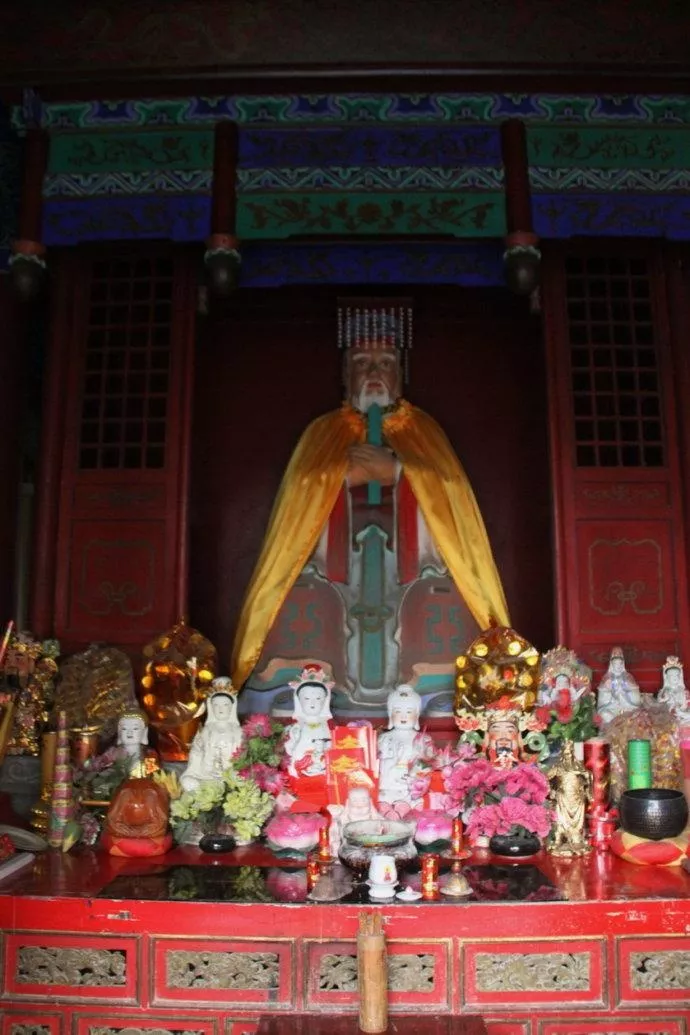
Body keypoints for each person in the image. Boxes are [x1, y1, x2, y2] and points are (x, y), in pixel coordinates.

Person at [231, 300, 509, 712]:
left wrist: (398, 471)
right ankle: (299, 689)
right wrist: (341, 476)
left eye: (385, 362)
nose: (374, 372)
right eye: (362, 363)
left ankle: (438, 690)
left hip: (413, 567)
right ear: (345, 375)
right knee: (295, 594)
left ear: (401, 374)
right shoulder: (323, 431)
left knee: (447, 595)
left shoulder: (422, 430)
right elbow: (301, 492)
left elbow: (449, 493)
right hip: (333, 567)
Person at [180, 679, 243, 792]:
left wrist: (230, 771)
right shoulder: (205, 731)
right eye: (216, 705)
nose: (220, 709)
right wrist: (203, 760)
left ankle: (225, 791)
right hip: (206, 776)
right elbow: (196, 754)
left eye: (225, 705)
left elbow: (244, 758)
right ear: (211, 707)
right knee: (187, 782)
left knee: (244, 781)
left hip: (231, 777)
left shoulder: (238, 732)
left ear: (232, 706)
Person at [377, 684, 435, 807]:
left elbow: (429, 767)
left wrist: (414, 776)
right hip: (388, 789)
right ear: (390, 714)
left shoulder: (424, 739)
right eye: (398, 711)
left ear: (417, 715)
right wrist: (391, 763)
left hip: (412, 791)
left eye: (409, 712)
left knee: (421, 802)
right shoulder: (383, 739)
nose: (403, 716)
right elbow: (376, 767)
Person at [284, 666, 333, 778]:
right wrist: (294, 736)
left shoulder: (327, 725)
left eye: (318, 698)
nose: (312, 703)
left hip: (321, 763)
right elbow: (290, 747)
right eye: (306, 698)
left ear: (325, 700)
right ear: (298, 700)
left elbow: (331, 745)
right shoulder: (297, 726)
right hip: (301, 762)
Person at [596, 647, 641, 727]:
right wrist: (608, 690)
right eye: (615, 664)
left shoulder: (628, 677)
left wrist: (625, 690)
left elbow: (636, 696)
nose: (618, 666)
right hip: (612, 708)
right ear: (611, 664)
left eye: (620, 663)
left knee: (637, 715)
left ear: (623, 664)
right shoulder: (606, 678)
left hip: (627, 707)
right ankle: (612, 729)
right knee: (604, 715)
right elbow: (602, 699)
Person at [657, 656, 690, 725]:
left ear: (680, 677)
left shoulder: (685, 691)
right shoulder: (664, 691)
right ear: (667, 678)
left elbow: (688, 704)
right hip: (668, 716)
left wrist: (682, 711)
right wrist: (664, 699)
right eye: (672, 676)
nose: (675, 678)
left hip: (682, 714)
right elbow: (659, 702)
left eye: (677, 675)